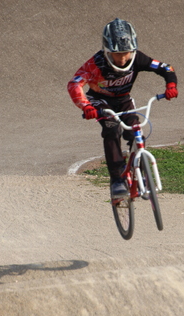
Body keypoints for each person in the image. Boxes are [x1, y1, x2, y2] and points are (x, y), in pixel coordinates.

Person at [67, 18, 178, 198]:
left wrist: (171, 85)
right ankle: (117, 180)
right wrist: (86, 106)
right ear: (107, 51)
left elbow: (165, 67)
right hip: (100, 102)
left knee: (136, 131)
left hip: (123, 100)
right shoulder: (95, 64)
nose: (123, 58)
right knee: (112, 130)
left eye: (127, 52)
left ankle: (143, 174)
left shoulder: (137, 58)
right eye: (117, 54)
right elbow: (74, 84)